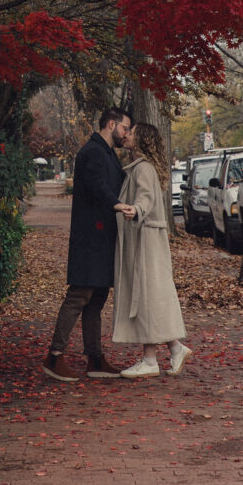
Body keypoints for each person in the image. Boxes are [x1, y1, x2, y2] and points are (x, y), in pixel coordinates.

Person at [42, 107, 131, 382]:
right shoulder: (92, 152)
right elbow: (95, 185)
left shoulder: (107, 153)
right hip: (91, 235)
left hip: (102, 235)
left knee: (97, 298)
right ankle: (54, 357)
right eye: (125, 128)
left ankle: (95, 359)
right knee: (80, 294)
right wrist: (116, 204)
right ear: (111, 124)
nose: (126, 134)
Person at [112, 121, 192, 378]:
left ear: (142, 140)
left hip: (145, 241)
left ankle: (150, 360)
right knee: (152, 297)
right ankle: (175, 349)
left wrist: (135, 210)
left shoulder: (143, 169)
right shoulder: (142, 167)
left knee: (146, 296)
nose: (126, 135)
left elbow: (145, 198)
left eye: (132, 133)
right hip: (148, 239)